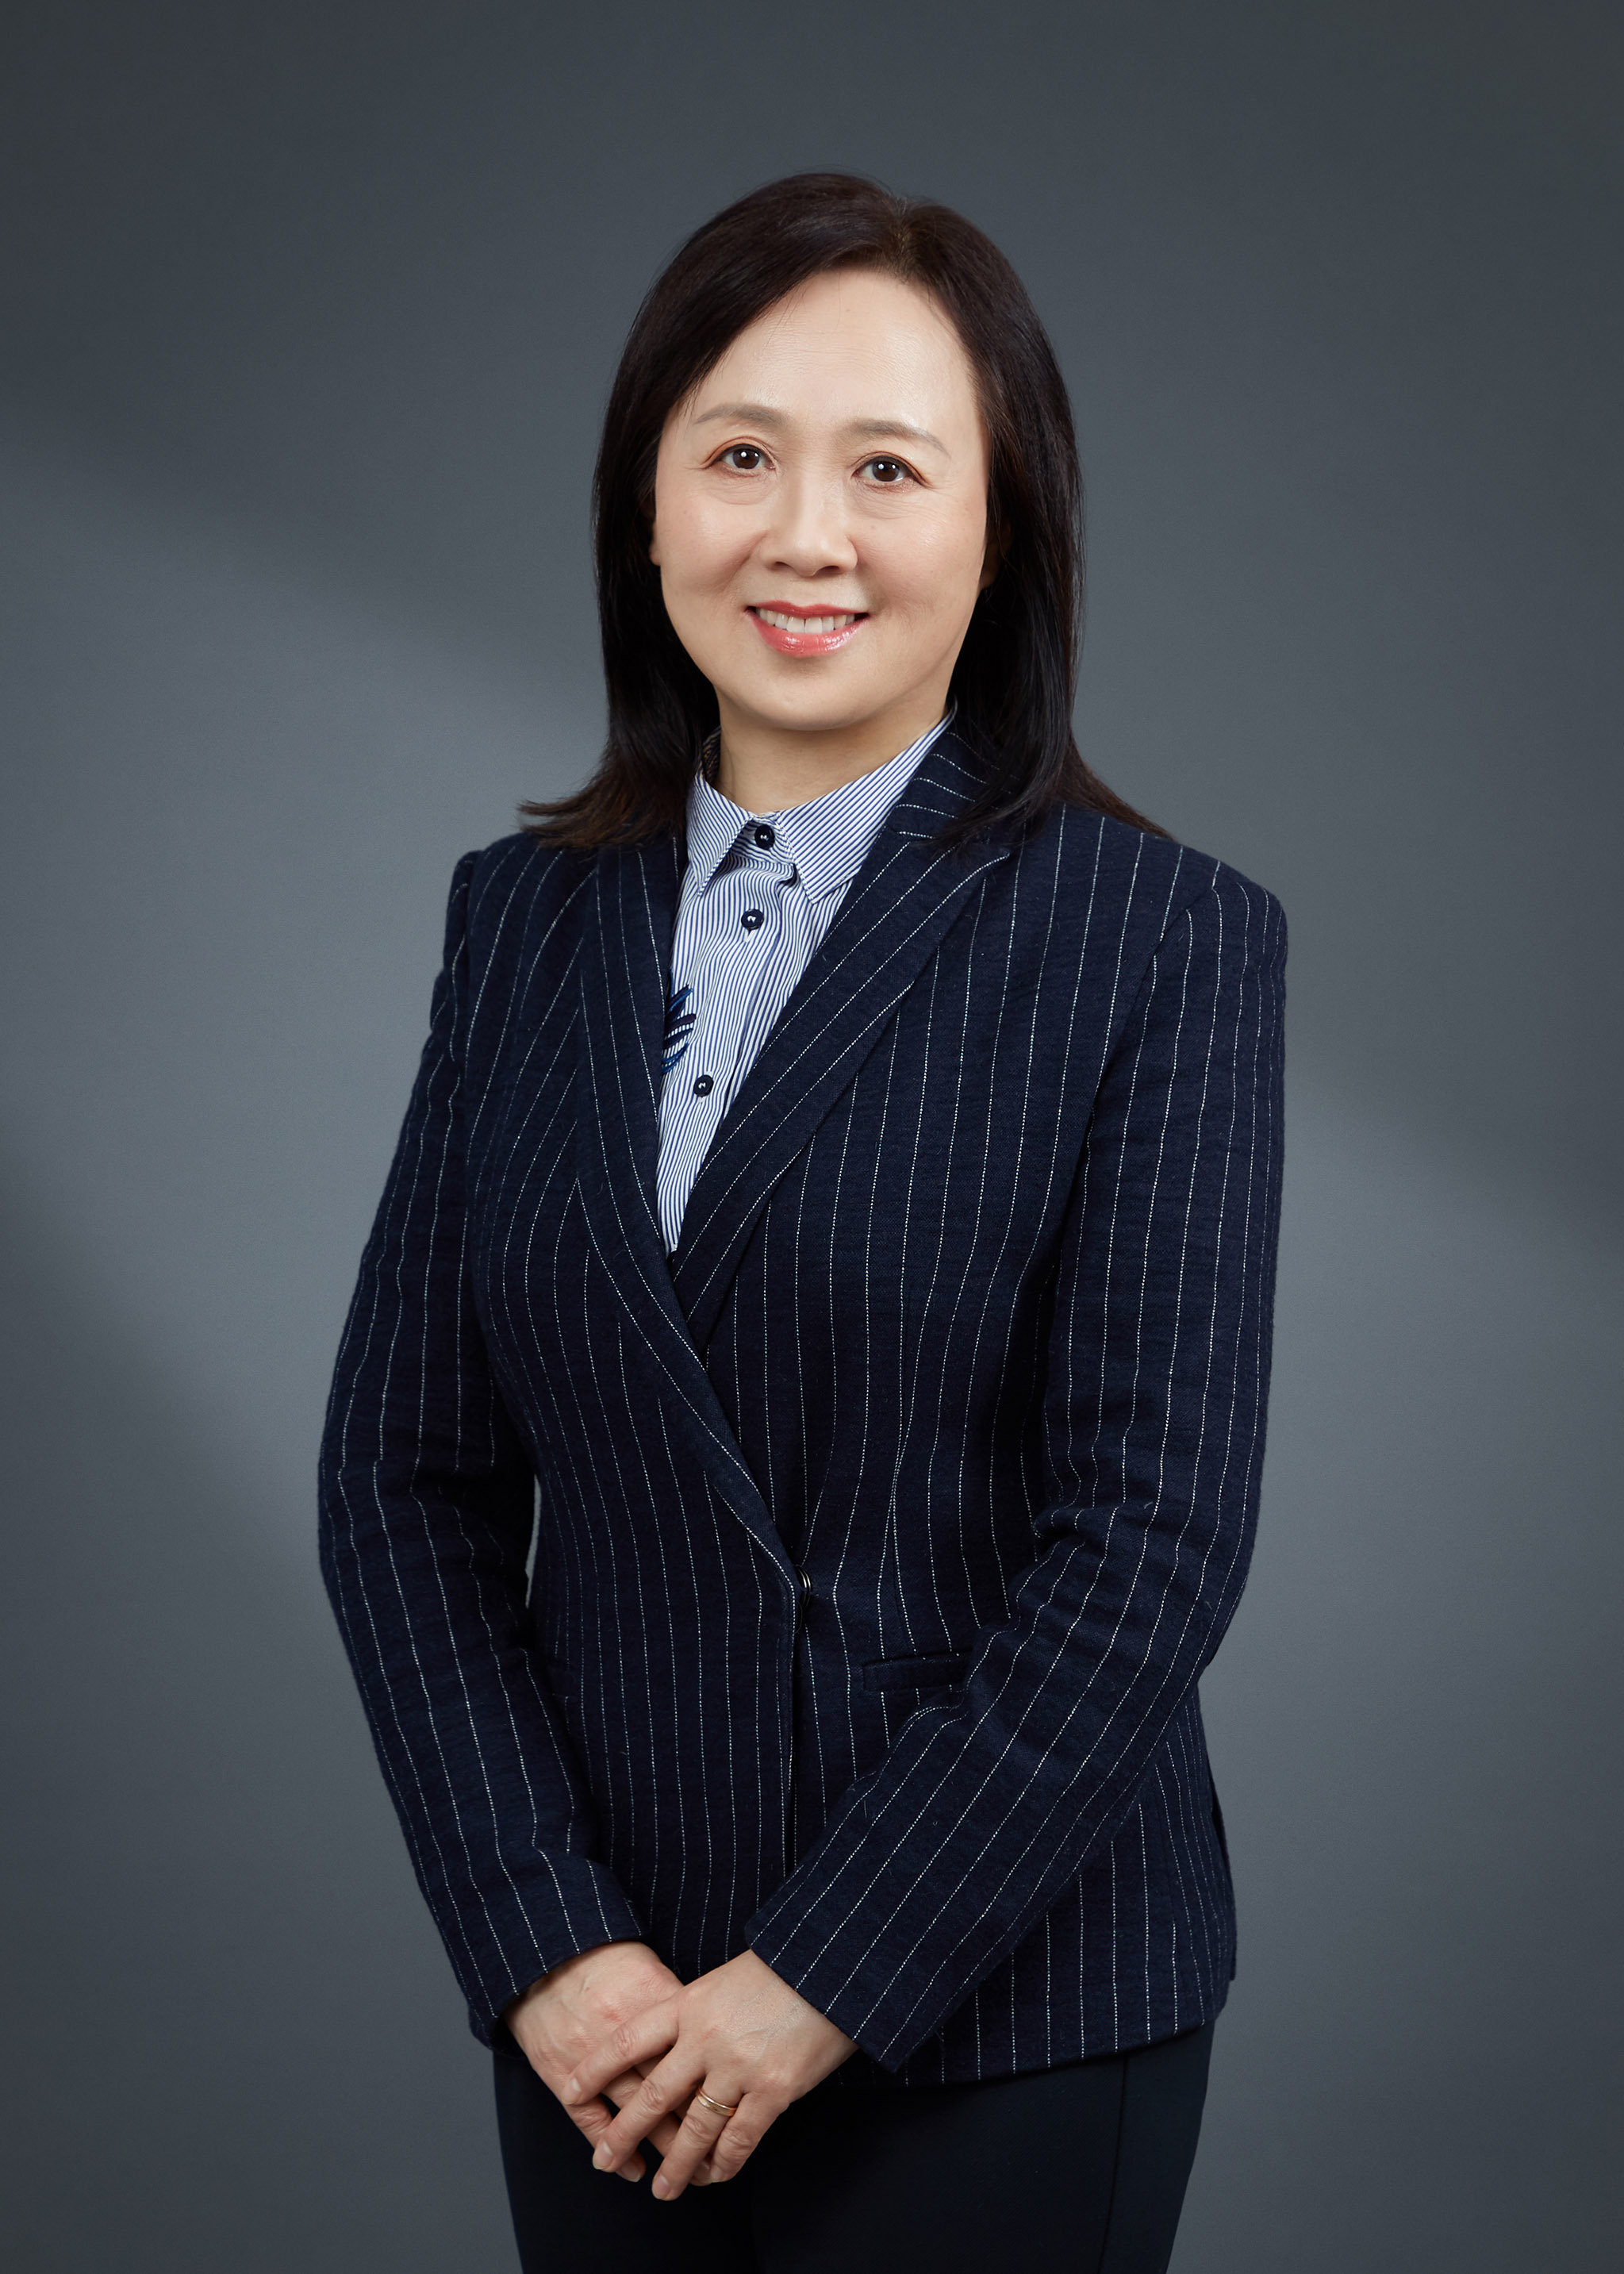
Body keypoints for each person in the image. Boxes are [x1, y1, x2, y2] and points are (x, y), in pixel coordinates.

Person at [317, 171, 1286, 2274]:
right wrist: (544, 1936)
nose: (806, 533)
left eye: (888, 469)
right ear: (647, 505)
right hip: (611, 2020)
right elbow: (404, 1482)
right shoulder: (522, 924)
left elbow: (1152, 1540)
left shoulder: (1163, 937)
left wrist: (817, 1977)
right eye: (740, 455)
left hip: (1000, 2009)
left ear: (1003, 528)